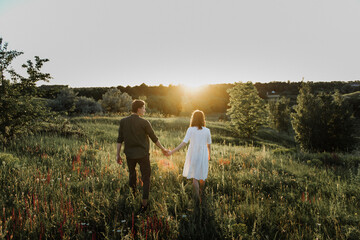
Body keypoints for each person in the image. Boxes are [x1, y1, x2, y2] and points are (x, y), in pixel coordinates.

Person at [116, 99, 169, 214]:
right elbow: (154, 138)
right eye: (144, 108)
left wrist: (117, 155)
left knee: (132, 175)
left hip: (129, 155)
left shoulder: (123, 121)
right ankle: (144, 204)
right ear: (139, 109)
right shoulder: (145, 122)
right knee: (146, 178)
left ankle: (133, 196)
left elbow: (120, 139)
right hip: (143, 155)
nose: (145, 110)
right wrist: (163, 149)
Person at [168, 110, 211, 203]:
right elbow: (209, 144)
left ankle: (196, 199)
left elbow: (184, 143)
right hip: (203, 154)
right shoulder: (207, 130)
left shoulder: (190, 129)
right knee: (202, 175)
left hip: (193, 154)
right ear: (203, 119)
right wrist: (209, 155)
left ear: (193, 118)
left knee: (195, 177)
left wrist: (172, 151)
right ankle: (201, 193)